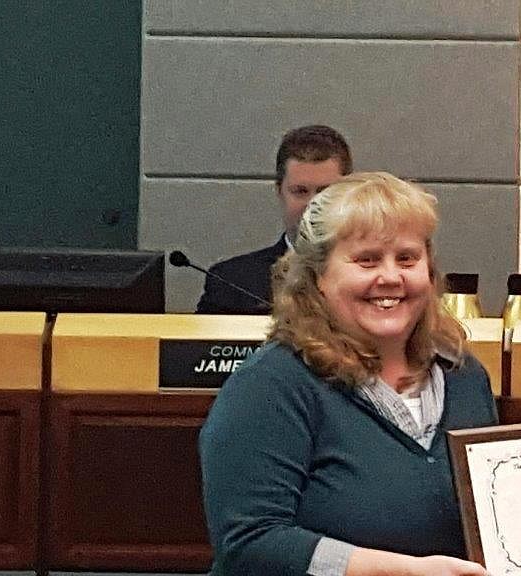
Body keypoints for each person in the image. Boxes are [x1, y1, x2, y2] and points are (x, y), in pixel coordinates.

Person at [199, 172, 496, 576]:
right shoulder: (272, 385)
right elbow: (250, 543)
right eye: (366, 260)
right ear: (318, 276)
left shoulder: (464, 378)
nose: (390, 277)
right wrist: (403, 572)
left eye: (407, 258)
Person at [196, 124, 352, 314]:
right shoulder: (232, 282)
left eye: (325, 192)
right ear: (280, 192)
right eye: (300, 191)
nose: (313, 204)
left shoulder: (374, 278)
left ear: (348, 193)